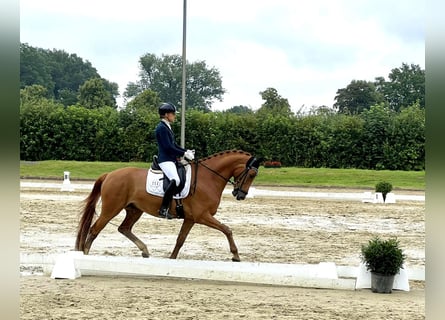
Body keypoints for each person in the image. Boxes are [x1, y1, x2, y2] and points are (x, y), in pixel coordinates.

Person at [155, 102, 194, 219]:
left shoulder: (167, 126)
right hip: (165, 160)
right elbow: (168, 147)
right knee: (175, 180)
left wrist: (186, 150)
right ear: (166, 114)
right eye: (173, 114)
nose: (174, 116)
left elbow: (174, 145)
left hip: (170, 159)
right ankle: (163, 209)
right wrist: (183, 153)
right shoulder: (161, 128)